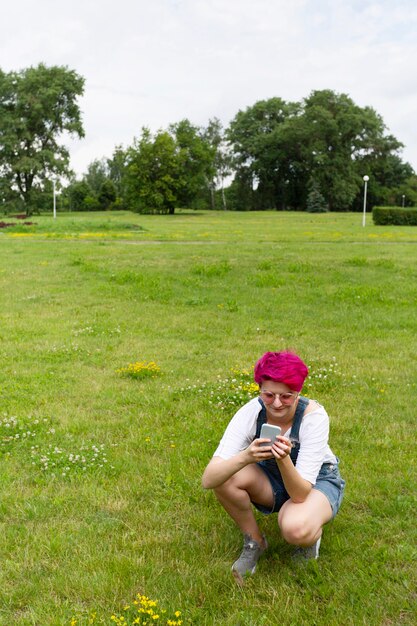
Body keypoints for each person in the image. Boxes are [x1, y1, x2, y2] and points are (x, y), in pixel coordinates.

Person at [202, 351, 345, 585]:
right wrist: (246, 456)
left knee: (295, 528)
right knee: (225, 474)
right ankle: (255, 541)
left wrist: (283, 458)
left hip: (317, 481)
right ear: (260, 390)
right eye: (268, 395)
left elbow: (300, 494)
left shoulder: (314, 417)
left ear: (298, 393)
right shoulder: (252, 412)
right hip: (271, 477)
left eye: (286, 396)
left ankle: (310, 538)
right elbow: (209, 479)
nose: (277, 403)